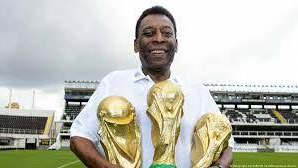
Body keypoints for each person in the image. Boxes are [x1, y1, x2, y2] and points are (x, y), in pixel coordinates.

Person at [70, 6, 233, 168]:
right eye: (149, 33)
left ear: (176, 44)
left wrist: (219, 167)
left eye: (167, 33)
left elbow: (226, 144)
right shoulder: (113, 82)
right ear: (136, 45)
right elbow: (79, 137)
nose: (159, 39)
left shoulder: (197, 90)